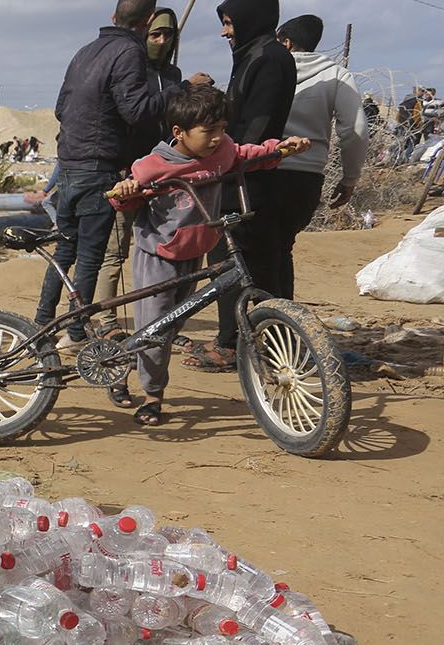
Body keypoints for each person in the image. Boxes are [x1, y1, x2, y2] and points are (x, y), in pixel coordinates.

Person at [106, 85, 309, 426]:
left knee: (171, 325)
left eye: (222, 129)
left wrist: (281, 148)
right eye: (208, 132)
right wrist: (125, 191)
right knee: (156, 327)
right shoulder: (152, 166)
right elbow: (125, 198)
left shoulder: (222, 151)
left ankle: (121, 363)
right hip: (158, 252)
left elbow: (247, 155)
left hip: (195, 248)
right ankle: (153, 396)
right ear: (179, 133)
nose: (218, 138)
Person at [38, 0, 169, 347]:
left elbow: (61, 109)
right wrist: (176, 92)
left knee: (65, 248)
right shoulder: (129, 52)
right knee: (91, 255)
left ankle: (41, 324)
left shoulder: (85, 52)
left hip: (69, 164)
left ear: (114, 17)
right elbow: (136, 110)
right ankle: (76, 331)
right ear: (146, 22)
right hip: (98, 169)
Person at [188, 0, 297, 372]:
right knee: (256, 261)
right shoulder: (255, 54)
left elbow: (257, 125)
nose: (224, 31)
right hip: (245, 174)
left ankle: (237, 344)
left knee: (235, 261)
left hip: (246, 178)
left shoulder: (267, 59)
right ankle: (273, 341)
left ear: (251, 19)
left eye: (230, 22)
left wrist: (223, 160)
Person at [94, 5, 187, 341]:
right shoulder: (131, 69)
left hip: (165, 176)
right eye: (155, 34)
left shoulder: (173, 76)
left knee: (162, 249)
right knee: (115, 250)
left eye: (168, 35)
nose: (161, 41)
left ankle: (162, 322)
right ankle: (107, 321)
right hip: (128, 172)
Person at [263, 14, 366, 291]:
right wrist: (349, 178)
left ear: (285, 42)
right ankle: (280, 322)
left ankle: (251, 321)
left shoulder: (266, 68)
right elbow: (355, 129)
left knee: (258, 249)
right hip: (306, 177)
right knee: (283, 249)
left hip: (262, 170)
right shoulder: (335, 75)